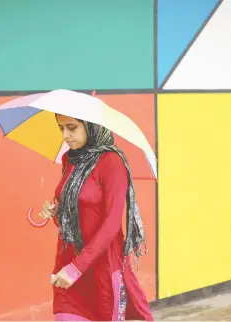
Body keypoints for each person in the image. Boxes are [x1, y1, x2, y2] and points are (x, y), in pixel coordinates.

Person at [39, 114, 154, 321]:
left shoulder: (112, 162)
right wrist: (57, 212)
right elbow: (75, 209)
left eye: (72, 127)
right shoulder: (70, 159)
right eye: (61, 128)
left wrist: (77, 268)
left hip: (101, 266)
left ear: (90, 126)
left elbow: (111, 224)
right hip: (68, 261)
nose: (65, 135)